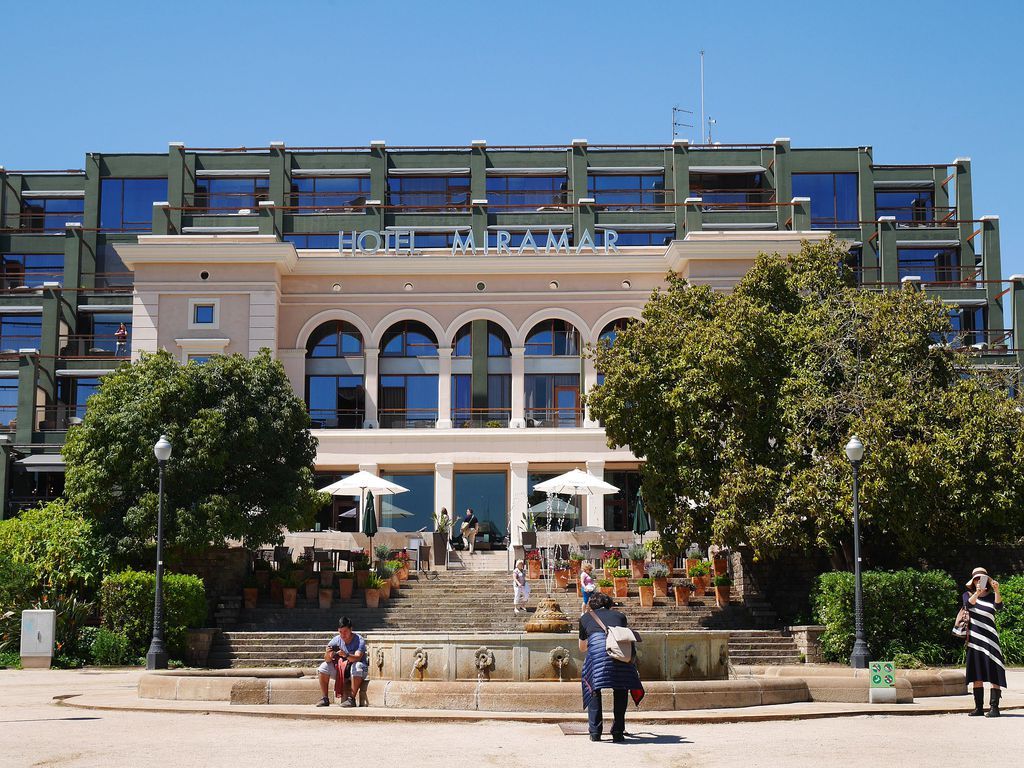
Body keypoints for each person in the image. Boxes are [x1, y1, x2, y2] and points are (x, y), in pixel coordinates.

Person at [579, 591, 644, 742]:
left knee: (594, 689)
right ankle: (618, 732)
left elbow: (582, 648)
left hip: (597, 657)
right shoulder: (620, 616)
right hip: (620, 655)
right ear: (609, 604)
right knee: (621, 688)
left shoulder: (585, 618)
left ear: (592, 605)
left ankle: (595, 732)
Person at [963, 567, 1006, 717]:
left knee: (994, 672)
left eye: (981, 578)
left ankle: (994, 708)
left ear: (986, 580)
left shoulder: (992, 596)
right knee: (977, 673)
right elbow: (968, 605)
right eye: (976, 579)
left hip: (991, 639)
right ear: (973, 581)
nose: (978, 581)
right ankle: (978, 708)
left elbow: (999, 607)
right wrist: (977, 592)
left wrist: (997, 591)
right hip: (975, 640)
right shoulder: (967, 595)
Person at [315, 617, 368, 708]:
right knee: (323, 667)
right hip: (341, 670)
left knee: (357, 665)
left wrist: (346, 655)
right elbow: (327, 659)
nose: (343, 635)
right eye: (340, 632)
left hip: (357, 670)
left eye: (345, 632)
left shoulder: (359, 640)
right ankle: (325, 698)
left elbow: (358, 658)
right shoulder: (336, 640)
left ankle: (351, 699)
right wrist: (328, 654)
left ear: (351, 629)